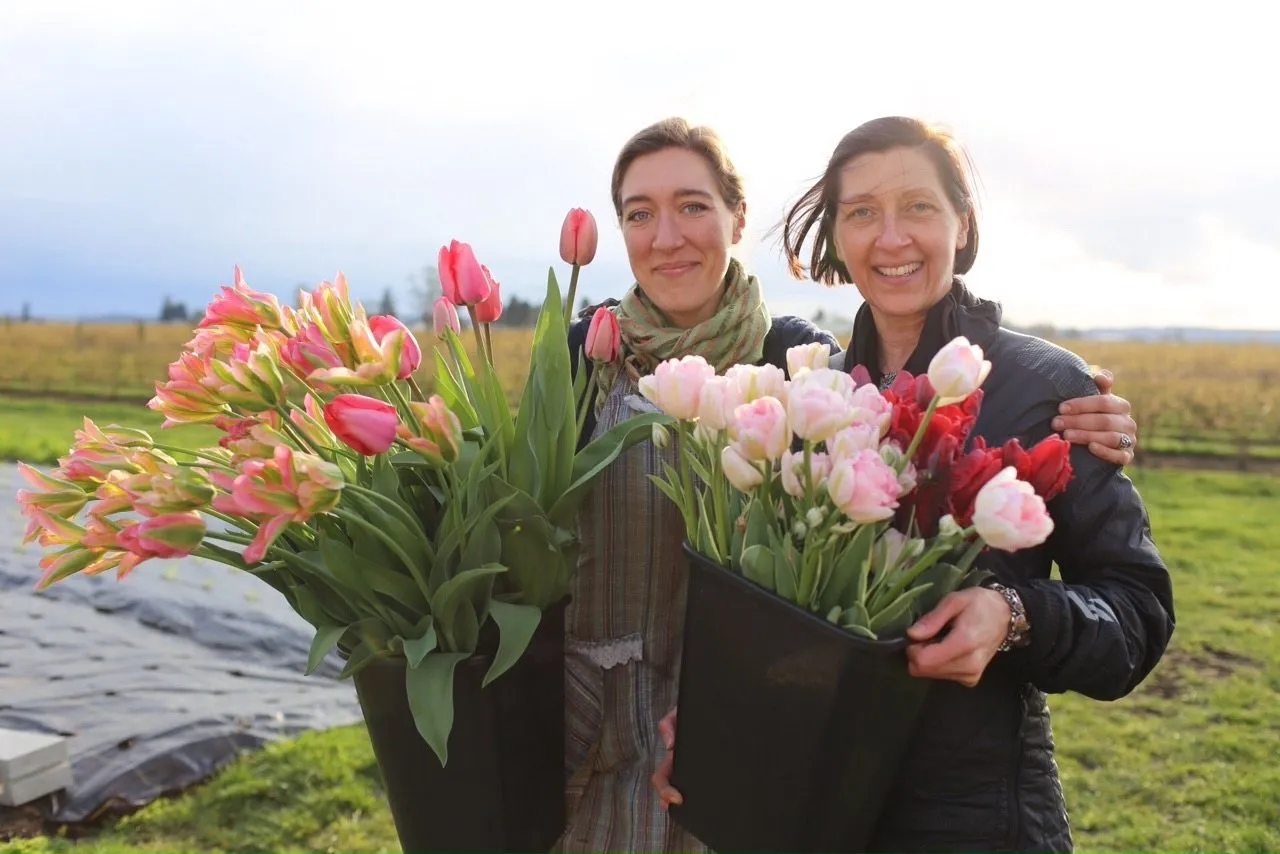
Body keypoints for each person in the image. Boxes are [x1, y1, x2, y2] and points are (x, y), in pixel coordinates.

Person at [565, 117, 1142, 853]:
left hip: (970, 820)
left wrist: (1013, 615)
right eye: (863, 212)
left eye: (919, 207)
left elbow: (1135, 611)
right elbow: (784, 617)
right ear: (837, 236)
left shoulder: (1043, 389)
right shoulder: (822, 389)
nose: (891, 237)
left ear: (963, 223)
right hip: (819, 808)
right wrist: (727, 724)